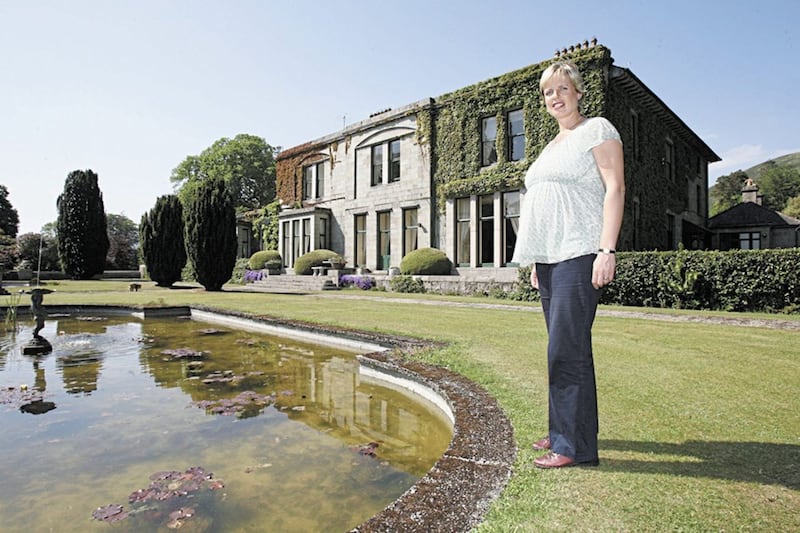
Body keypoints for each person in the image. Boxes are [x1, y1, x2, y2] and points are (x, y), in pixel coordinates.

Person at [511, 60, 625, 469]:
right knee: (561, 349)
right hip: (551, 259)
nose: (555, 97)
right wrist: (538, 259)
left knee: (567, 350)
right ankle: (563, 428)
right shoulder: (551, 146)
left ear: (577, 92)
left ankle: (574, 447)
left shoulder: (596, 130)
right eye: (547, 92)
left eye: (562, 89)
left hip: (580, 253)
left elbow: (615, 188)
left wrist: (606, 250)